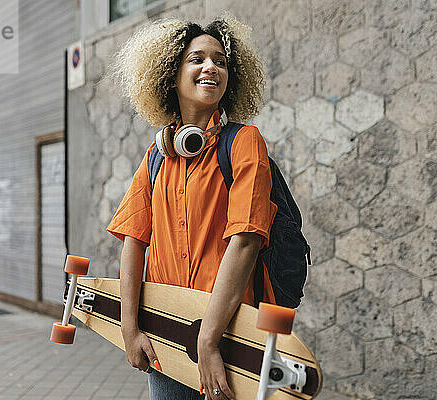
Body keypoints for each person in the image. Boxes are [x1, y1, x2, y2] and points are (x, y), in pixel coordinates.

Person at [106, 15, 277, 400]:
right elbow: (133, 242)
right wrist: (130, 329)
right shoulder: (156, 158)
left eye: (220, 60)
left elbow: (246, 241)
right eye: (197, 59)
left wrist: (208, 340)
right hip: (164, 337)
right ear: (171, 75)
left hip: (230, 339)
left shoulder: (245, 144)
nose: (211, 67)